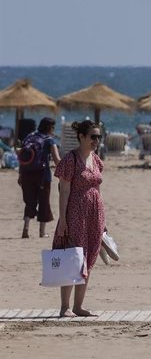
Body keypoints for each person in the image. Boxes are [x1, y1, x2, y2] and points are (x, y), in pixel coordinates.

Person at [52, 120, 105, 317]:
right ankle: (65, 306)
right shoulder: (70, 160)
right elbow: (63, 191)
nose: (96, 140)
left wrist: (103, 221)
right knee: (73, 258)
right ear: (81, 137)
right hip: (75, 214)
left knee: (89, 257)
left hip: (94, 214)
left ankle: (78, 306)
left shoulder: (96, 159)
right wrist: (63, 221)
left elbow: (97, 188)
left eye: (98, 137)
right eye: (93, 136)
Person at [18, 117, 60, 238]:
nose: (53, 130)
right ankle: (42, 233)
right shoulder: (49, 140)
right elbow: (57, 160)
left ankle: (25, 229)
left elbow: (22, 158)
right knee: (44, 202)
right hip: (42, 175)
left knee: (29, 202)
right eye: (53, 127)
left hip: (26, 174)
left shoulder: (29, 137)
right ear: (50, 128)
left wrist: (20, 175)